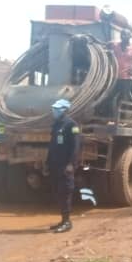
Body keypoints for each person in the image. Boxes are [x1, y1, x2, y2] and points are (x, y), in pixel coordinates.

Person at [45, 99, 80, 233]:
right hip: (55, 164)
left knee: (65, 192)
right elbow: (52, 146)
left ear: (65, 110)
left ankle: (67, 222)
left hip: (65, 165)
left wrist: (71, 164)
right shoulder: (56, 124)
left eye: (57, 108)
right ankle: (63, 220)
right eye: (54, 108)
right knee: (58, 192)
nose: (54, 110)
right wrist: (47, 163)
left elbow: (75, 147)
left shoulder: (72, 125)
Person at [109, 29, 132, 117]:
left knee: (123, 99)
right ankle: (111, 116)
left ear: (130, 37)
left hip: (127, 78)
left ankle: (123, 118)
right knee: (110, 96)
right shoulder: (115, 45)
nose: (123, 36)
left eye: (125, 35)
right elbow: (105, 45)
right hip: (115, 76)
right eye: (122, 34)